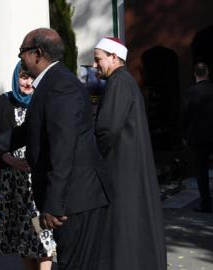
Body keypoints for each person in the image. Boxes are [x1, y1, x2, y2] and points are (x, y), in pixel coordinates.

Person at [0, 28, 111, 270]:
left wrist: (54, 204)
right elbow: (25, 133)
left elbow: (63, 148)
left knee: (76, 264)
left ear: (37, 53)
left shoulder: (59, 86)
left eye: (21, 52)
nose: (20, 58)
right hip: (73, 198)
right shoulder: (50, 83)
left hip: (76, 200)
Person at [93, 37, 167, 269]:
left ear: (114, 57)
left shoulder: (118, 82)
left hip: (121, 166)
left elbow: (106, 129)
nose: (95, 65)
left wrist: (91, 157)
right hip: (128, 163)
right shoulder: (125, 81)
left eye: (98, 60)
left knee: (122, 225)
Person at [0, 62, 55, 270]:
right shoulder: (2, 103)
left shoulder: (44, 102)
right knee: (22, 235)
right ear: (16, 78)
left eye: (32, 77)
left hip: (37, 180)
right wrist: (9, 159)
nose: (28, 82)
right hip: (10, 181)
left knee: (43, 234)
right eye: (23, 77)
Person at [181, 62, 213, 213]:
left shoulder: (189, 92)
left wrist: (184, 135)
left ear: (195, 74)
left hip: (198, 137)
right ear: (208, 73)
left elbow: (184, 116)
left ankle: (206, 204)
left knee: (202, 171)